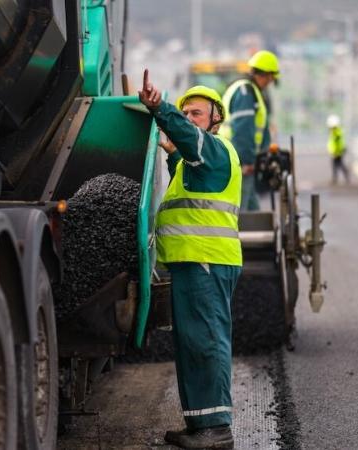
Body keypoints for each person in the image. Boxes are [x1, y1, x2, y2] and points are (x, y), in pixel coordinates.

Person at [140, 70, 242, 450]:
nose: (188, 119)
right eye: (185, 112)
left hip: (206, 261)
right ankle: (201, 425)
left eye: (195, 114)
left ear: (215, 119)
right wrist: (170, 154)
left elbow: (188, 139)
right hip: (192, 263)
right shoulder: (190, 164)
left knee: (206, 340)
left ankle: (217, 428)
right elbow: (186, 172)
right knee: (191, 343)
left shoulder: (216, 149)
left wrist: (159, 109)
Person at [219, 50, 280, 211]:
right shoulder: (245, 92)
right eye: (271, 78)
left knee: (253, 210)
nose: (270, 82)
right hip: (240, 162)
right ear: (266, 74)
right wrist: (247, 161)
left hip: (243, 159)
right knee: (240, 213)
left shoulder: (249, 90)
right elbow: (243, 129)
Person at [326, 114, 350, 185]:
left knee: (337, 165)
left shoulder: (336, 133)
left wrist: (335, 152)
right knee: (338, 164)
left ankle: (336, 179)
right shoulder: (336, 132)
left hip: (337, 152)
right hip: (337, 151)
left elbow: (337, 144)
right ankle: (337, 178)